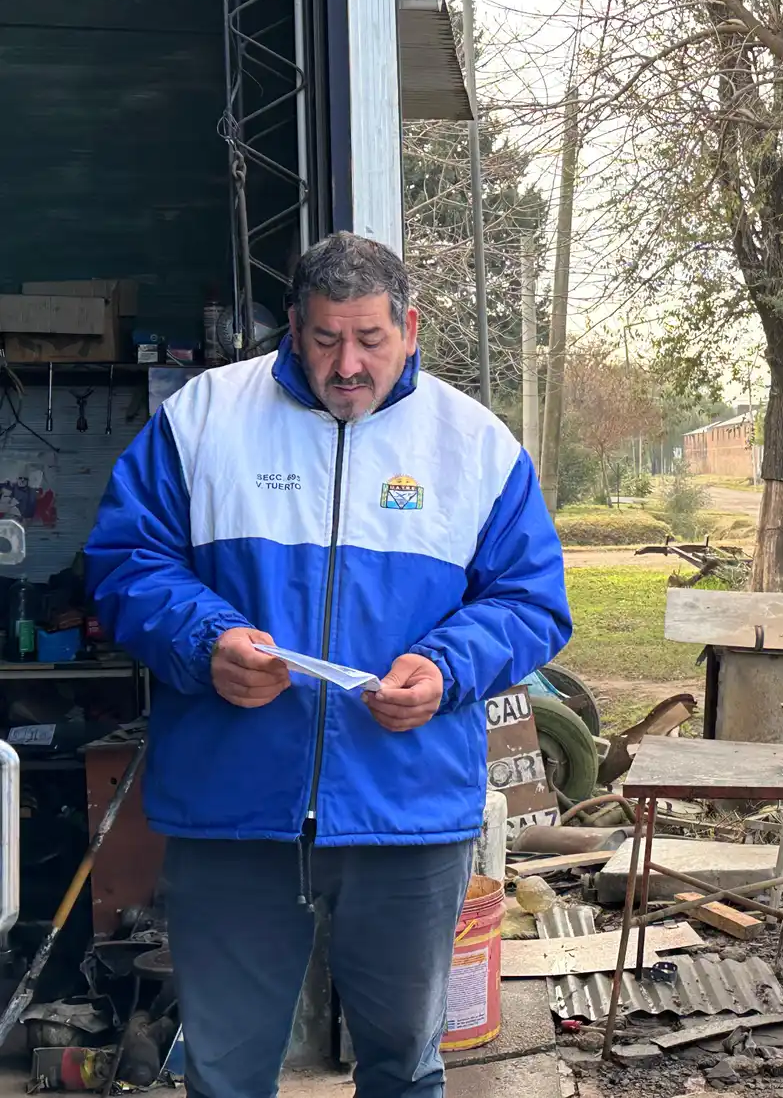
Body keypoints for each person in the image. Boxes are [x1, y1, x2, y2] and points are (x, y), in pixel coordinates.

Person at [84, 232, 572, 1098]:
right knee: (225, 1073)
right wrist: (206, 642)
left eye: (370, 340)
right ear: (292, 329)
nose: (347, 364)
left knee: (403, 1064)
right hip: (232, 807)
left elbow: (532, 601)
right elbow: (126, 561)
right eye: (323, 339)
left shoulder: (475, 446)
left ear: (411, 328)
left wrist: (446, 665)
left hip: (406, 812)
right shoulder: (204, 419)